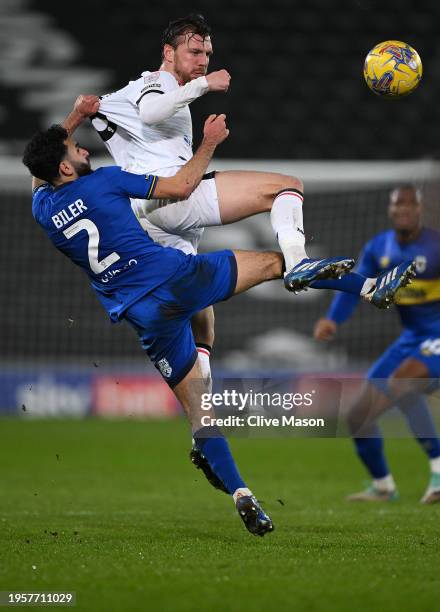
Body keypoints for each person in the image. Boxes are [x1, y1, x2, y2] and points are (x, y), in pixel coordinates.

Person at [23, 100, 414, 535]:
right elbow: (179, 187)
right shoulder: (105, 183)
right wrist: (207, 144)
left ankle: (242, 494)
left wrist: (72, 119)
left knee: (201, 415)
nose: (83, 149)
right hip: (174, 278)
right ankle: (370, 288)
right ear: (66, 169)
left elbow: (37, 170)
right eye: (75, 148)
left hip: (140, 313)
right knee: (277, 263)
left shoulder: (42, 209)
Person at [83, 13, 378, 389]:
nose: (203, 59)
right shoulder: (157, 83)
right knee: (286, 187)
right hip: (173, 195)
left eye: (206, 53)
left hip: (153, 215)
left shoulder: (131, 96)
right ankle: (300, 261)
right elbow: (150, 110)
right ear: (167, 53)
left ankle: (201, 422)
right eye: (193, 51)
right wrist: (206, 83)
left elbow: (111, 116)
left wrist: (84, 113)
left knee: (199, 315)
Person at [314, 185, 440, 504]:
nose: (404, 210)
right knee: (358, 417)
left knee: (403, 383)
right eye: (398, 205)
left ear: (420, 210)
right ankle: (383, 486)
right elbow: (359, 286)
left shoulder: (436, 246)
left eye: (410, 205)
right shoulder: (379, 247)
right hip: (411, 338)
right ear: (390, 209)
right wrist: (332, 320)